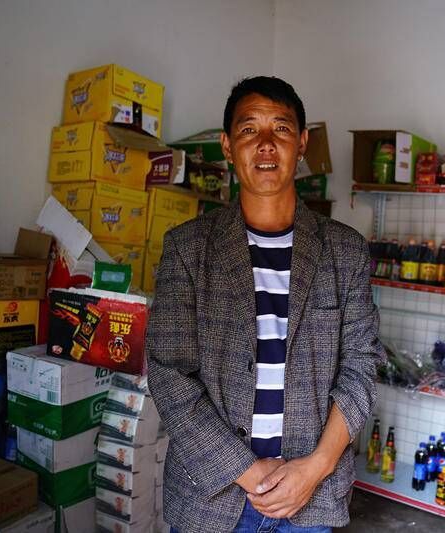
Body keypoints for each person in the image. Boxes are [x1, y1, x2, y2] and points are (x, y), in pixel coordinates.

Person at [147, 76, 384, 533]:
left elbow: (361, 366)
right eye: (249, 129)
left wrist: (314, 469)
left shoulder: (345, 251)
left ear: (302, 144)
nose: (266, 144)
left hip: (310, 500)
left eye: (281, 128)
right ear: (227, 145)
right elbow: (169, 374)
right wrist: (248, 471)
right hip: (211, 499)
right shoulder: (188, 248)